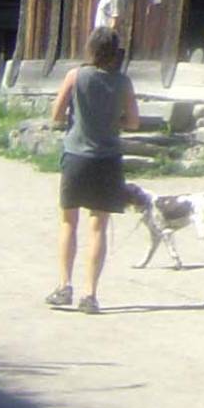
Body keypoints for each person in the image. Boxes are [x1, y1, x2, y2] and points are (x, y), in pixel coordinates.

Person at [47, 26, 139, 314]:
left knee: (68, 223)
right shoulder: (123, 82)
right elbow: (134, 123)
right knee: (97, 226)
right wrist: (115, 122)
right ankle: (90, 294)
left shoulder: (75, 76)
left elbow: (56, 115)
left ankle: (64, 287)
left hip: (76, 155)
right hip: (108, 158)